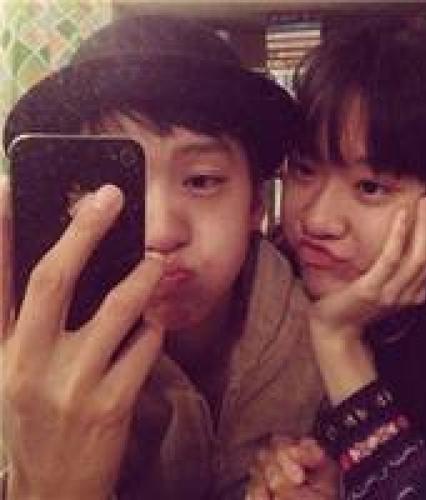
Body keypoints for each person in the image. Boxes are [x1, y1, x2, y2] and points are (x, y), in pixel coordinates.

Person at [0, 14, 325, 500]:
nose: (161, 232)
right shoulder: (29, 358)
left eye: (201, 180)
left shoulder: (321, 336)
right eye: (112, 187)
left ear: (256, 206)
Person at [246, 19, 426, 500]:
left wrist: (339, 342)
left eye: (370, 187)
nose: (317, 219)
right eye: (304, 169)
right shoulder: (265, 286)